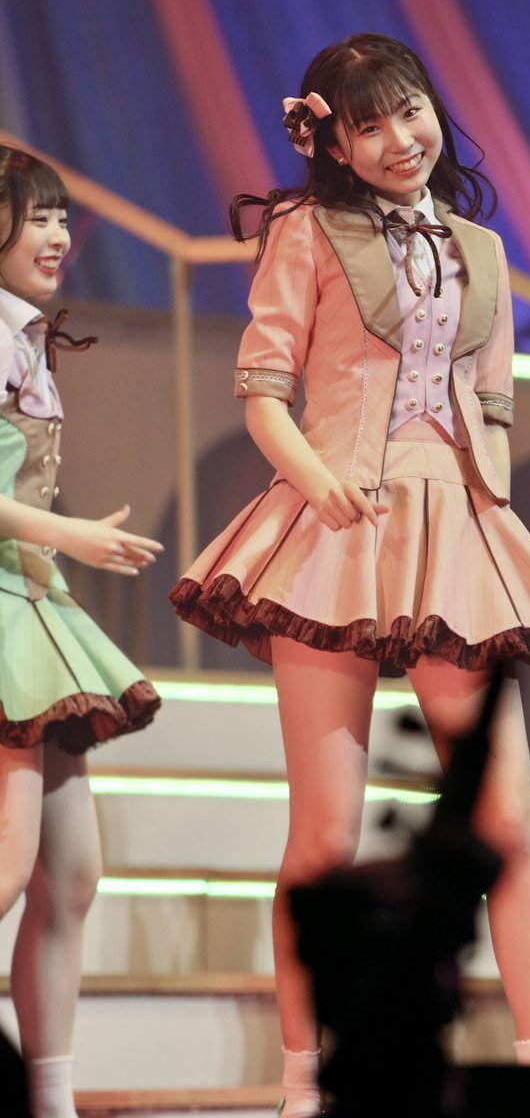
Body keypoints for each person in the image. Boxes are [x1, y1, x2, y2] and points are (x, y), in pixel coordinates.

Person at [170, 32, 530, 1116]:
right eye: (368, 125)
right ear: (332, 143)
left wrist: (485, 516)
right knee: (325, 832)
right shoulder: (305, 232)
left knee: (507, 822)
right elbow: (263, 390)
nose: (400, 139)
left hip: (458, 531)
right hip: (333, 529)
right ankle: (304, 1084)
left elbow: (492, 405)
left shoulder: (481, 249)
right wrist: (319, 483)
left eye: (410, 112)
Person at [0, 146, 163, 1118]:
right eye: (38, 217)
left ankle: (50, 1100)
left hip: (32, 604)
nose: (59, 235)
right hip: (4, 608)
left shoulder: (24, 337)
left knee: (69, 877)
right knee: (8, 860)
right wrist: (70, 535)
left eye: (63, 216)